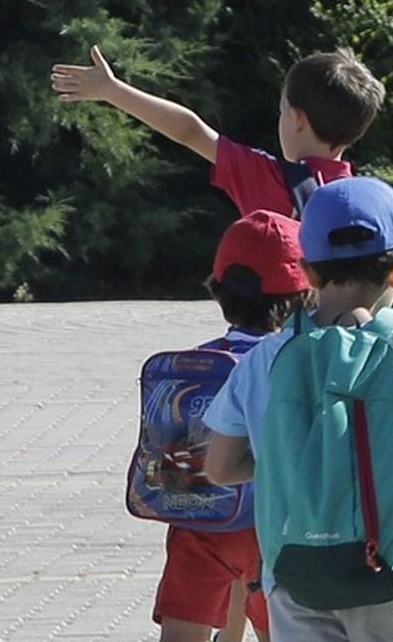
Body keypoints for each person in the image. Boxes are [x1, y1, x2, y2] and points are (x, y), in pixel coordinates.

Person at [201, 177, 393, 642]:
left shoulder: (265, 359)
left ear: (307, 272)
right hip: (387, 565)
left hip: (294, 570)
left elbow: (220, 467)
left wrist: (288, 455)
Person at [151, 211, 312, 642]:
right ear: (303, 288)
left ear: (218, 288)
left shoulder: (198, 361)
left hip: (199, 520)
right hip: (273, 527)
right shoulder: (298, 361)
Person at [52, 45, 384, 216]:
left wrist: (113, 91)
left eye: (282, 111)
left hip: (281, 342)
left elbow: (189, 131)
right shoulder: (366, 200)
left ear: (296, 119)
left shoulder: (266, 176)